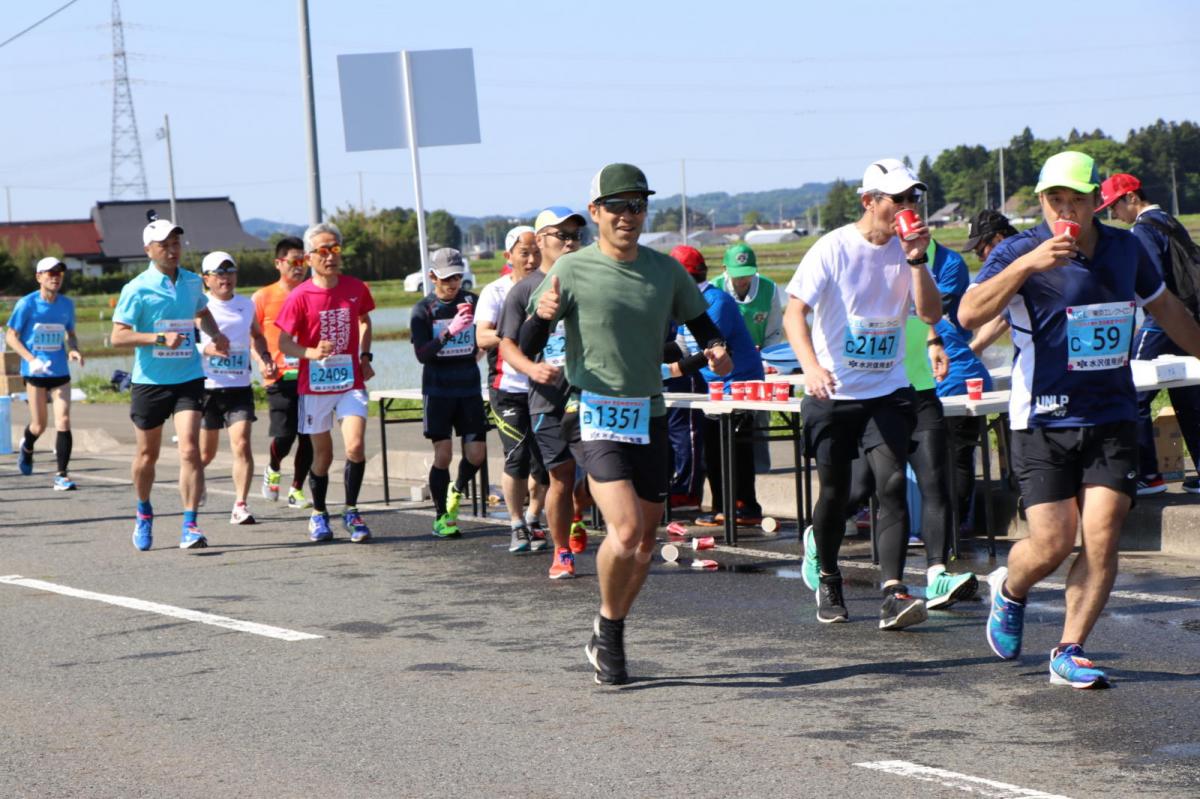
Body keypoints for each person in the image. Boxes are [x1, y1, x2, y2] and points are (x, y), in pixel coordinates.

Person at [959, 151, 1200, 688]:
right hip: (1042, 419)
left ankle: (1070, 648)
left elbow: (1167, 310)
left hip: (1111, 416)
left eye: (1076, 200)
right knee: (1052, 542)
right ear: (1042, 202)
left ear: (1096, 202)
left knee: (1103, 537)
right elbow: (969, 314)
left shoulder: (1126, 248)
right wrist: (1028, 265)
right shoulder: (1019, 250)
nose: (1065, 210)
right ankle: (1011, 589)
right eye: (1054, 200)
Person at [520, 163, 731, 685]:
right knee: (627, 528)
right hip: (592, 411)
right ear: (595, 212)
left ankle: (607, 624)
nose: (628, 216)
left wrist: (716, 349)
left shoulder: (665, 271)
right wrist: (542, 316)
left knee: (644, 544)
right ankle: (612, 635)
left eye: (637, 206)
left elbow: (702, 324)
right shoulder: (571, 270)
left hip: (650, 413)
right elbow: (525, 345)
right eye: (617, 206)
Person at [783, 158, 944, 630]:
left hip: (887, 389)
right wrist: (811, 368)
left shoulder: (909, 249)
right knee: (835, 493)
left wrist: (917, 259)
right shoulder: (833, 247)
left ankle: (893, 591)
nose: (909, 206)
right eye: (899, 198)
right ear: (869, 201)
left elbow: (930, 314)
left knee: (890, 484)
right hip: (833, 390)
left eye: (914, 197)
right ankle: (829, 575)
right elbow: (794, 313)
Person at [111, 217, 231, 551]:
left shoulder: (192, 282)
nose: (172, 250)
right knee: (146, 455)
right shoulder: (137, 288)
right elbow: (118, 336)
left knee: (190, 449)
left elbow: (202, 312)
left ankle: (190, 525)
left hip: (188, 377)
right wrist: (158, 338)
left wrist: (216, 334)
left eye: (176, 243)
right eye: (164, 245)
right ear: (148, 250)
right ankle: (143, 511)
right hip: (150, 382)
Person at [499, 207, 590, 578]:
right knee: (561, 476)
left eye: (575, 236)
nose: (570, 243)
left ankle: (579, 511)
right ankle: (561, 550)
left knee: (598, 475)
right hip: (546, 398)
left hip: (589, 395)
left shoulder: (590, 281)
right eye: (561, 235)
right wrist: (531, 367)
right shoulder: (523, 290)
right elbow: (506, 345)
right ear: (540, 240)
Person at [1096, 173, 1200, 496]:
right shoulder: (1169, 221)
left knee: (1133, 390)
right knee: (1188, 395)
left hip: (1162, 321)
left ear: (1132, 197)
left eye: (1115, 206)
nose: (1114, 214)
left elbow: (1148, 281)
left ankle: (1148, 475)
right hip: (1189, 317)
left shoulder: (1141, 230)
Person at [275, 222, 376, 544]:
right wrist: (310, 352)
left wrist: (365, 357)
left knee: (355, 446)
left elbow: (364, 321)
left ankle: (352, 511)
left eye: (335, 249)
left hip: (350, 381)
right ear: (308, 257)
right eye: (322, 251)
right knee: (323, 456)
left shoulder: (355, 288)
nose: (330, 256)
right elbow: (283, 342)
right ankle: (318, 513)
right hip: (315, 385)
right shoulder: (300, 296)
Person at [667, 245, 765, 528]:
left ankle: (745, 505)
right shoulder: (688, 303)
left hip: (740, 382)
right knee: (713, 448)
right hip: (715, 388)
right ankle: (722, 506)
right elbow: (681, 346)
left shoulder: (715, 301)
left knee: (735, 446)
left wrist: (671, 370)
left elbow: (709, 352)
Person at [476, 226, 549, 553]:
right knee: (517, 456)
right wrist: (515, 331)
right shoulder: (496, 291)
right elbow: (481, 338)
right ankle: (516, 524)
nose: (532, 259)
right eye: (524, 253)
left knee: (546, 462)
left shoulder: (551, 287)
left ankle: (534, 518)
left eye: (536, 252)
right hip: (507, 388)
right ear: (509, 256)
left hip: (544, 386)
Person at [410, 247, 487, 539]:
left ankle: (457, 489)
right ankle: (442, 516)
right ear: (432, 277)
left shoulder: (473, 301)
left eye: (457, 277)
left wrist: (478, 349)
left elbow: (487, 333)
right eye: (446, 278)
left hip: (468, 387)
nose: (453, 283)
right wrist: (449, 332)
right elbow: (422, 354)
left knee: (477, 454)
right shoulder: (423, 310)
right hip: (438, 390)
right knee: (443, 455)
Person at [196, 251, 275, 525]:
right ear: (206, 279)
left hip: (239, 386)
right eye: (219, 273)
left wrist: (264, 357)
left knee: (241, 443)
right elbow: (182, 341)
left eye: (230, 272)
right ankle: (196, 477)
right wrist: (206, 349)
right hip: (207, 387)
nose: (225, 278)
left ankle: (240, 505)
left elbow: (257, 336)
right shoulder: (198, 306)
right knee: (205, 454)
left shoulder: (246, 304)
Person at [5, 256, 83, 490]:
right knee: (39, 425)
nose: (55, 277)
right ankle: (28, 446)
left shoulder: (66, 304)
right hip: (35, 372)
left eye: (59, 273)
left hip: (59, 370)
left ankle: (62, 475)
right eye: (50, 273)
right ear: (39, 277)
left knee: (64, 420)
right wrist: (31, 359)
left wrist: (74, 350)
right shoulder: (27, 304)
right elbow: (11, 337)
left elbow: (70, 333)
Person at [711, 242, 784, 477]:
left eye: (747, 274)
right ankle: (722, 468)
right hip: (724, 364)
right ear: (725, 269)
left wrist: (765, 358)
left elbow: (774, 331)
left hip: (757, 363)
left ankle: (760, 469)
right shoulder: (714, 289)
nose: (743, 280)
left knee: (759, 416)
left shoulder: (769, 289)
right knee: (721, 418)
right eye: (737, 275)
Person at [252, 236, 314, 510]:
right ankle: (273, 467)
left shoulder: (313, 292)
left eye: (303, 261)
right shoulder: (263, 296)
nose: (299, 267)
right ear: (279, 263)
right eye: (293, 261)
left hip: (310, 375)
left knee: (309, 435)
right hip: (279, 375)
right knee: (286, 435)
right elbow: (252, 337)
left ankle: (297, 489)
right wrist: (261, 360)